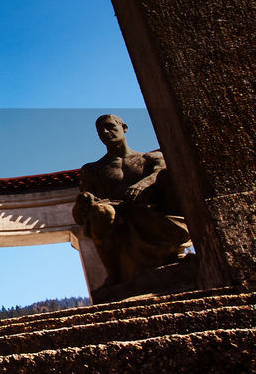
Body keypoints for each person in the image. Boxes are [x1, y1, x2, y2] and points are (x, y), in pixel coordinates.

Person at [72, 114, 190, 288]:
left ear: (124, 127)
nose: (106, 132)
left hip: (150, 212)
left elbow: (163, 173)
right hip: (115, 214)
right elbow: (80, 217)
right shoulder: (93, 170)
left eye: (110, 126)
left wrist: (145, 183)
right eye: (101, 131)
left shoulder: (151, 159)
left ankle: (174, 253)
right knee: (101, 212)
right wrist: (83, 201)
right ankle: (115, 277)